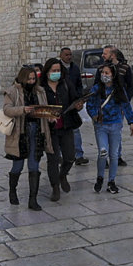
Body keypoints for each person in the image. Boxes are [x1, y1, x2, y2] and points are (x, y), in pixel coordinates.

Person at [2, 65, 53, 210]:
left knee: (34, 165)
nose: (31, 81)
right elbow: (6, 109)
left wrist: (50, 116)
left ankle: (33, 199)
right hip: (20, 133)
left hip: (37, 131)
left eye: (33, 79)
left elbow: (45, 108)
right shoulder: (12, 91)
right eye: (29, 79)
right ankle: (13, 191)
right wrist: (22, 110)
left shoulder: (40, 91)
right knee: (17, 166)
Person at [86, 61, 133, 195]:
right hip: (101, 125)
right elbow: (90, 104)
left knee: (113, 155)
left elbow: (126, 105)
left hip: (115, 124)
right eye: (102, 73)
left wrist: (131, 121)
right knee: (103, 152)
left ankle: (111, 181)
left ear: (113, 75)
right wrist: (94, 116)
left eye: (107, 73)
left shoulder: (119, 89)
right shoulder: (96, 89)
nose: (104, 75)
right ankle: (100, 177)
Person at [42, 56, 84, 202]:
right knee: (52, 159)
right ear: (47, 72)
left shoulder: (66, 84)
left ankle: (62, 175)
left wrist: (78, 105)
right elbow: (38, 107)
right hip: (50, 129)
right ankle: (55, 187)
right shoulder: (41, 88)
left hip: (66, 126)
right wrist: (47, 116)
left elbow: (75, 98)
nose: (56, 73)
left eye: (58, 70)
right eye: (54, 70)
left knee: (70, 156)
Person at [102, 45, 133, 166]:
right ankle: (104, 158)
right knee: (103, 132)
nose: (103, 56)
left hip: (119, 105)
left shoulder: (125, 68)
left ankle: (117, 156)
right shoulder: (102, 68)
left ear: (112, 55)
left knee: (117, 131)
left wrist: (126, 100)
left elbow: (130, 86)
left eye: (105, 53)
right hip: (105, 106)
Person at [60, 47, 88, 167]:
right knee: (61, 130)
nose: (69, 57)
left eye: (70, 54)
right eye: (66, 55)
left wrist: (79, 98)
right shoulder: (57, 68)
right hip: (60, 104)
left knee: (75, 130)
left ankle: (79, 155)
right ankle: (61, 155)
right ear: (61, 55)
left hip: (72, 103)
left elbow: (79, 85)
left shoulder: (74, 68)